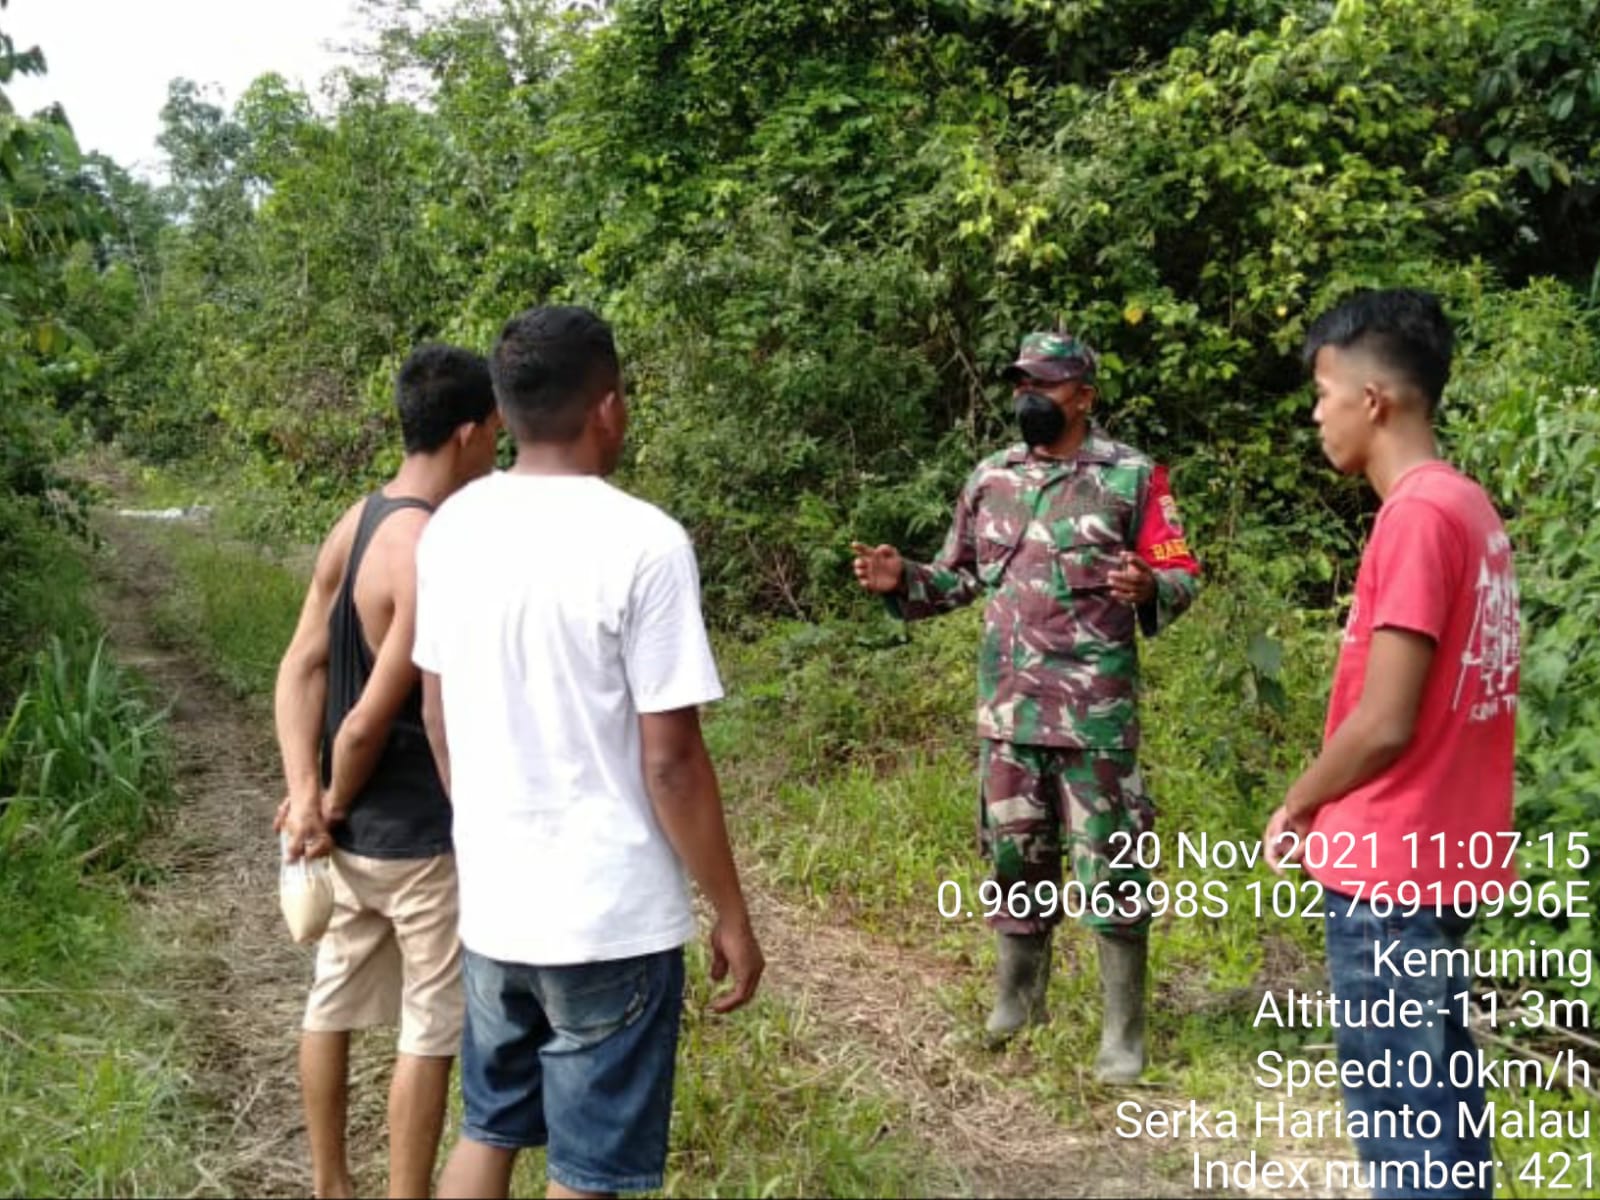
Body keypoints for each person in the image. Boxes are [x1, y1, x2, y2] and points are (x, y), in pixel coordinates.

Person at [411, 304, 765, 1200]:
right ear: (608, 406)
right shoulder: (645, 543)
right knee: (588, 1173)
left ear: (506, 409)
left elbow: (436, 712)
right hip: (608, 921)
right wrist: (730, 911)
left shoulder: (452, 527)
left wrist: (484, 831)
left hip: (496, 908)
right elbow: (671, 761)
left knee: (487, 1129)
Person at [852, 328, 1200, 1079]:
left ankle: (1123, 1035)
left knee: (1113, 871)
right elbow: (958, 577)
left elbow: (1182, 570)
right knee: (1014, 859)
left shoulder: (1133, 476)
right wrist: (904, 579)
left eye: (1043, 383)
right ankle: (1017, 1005)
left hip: (1094, 720)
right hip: (1010, 715)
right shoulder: (992, 477)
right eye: (1019, 384)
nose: (1027, 397)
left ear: (1083, 396)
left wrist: (1152, 586)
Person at [1263, 289, 1519, 1199]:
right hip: (1444, 858)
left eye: (1323, 394)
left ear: (1372, 400)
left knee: (1408, 1136)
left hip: (1390, 868)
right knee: (1442, 1115)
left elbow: (1384, 720)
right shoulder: (1470, 509)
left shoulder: (1414, 517)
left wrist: (1298, 803)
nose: (1317, 416)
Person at [273, 343, 501, 1200]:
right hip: (414, 834)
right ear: (469, 433)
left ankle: (330, 1184)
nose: (498, 450)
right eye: (496, 433)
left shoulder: (357, 521)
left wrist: (306, 801)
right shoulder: (428, 550)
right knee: (429, 1027)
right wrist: (327, 797)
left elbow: (300, 665)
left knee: (330, 1001)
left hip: (349, 842)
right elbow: (370, 717)